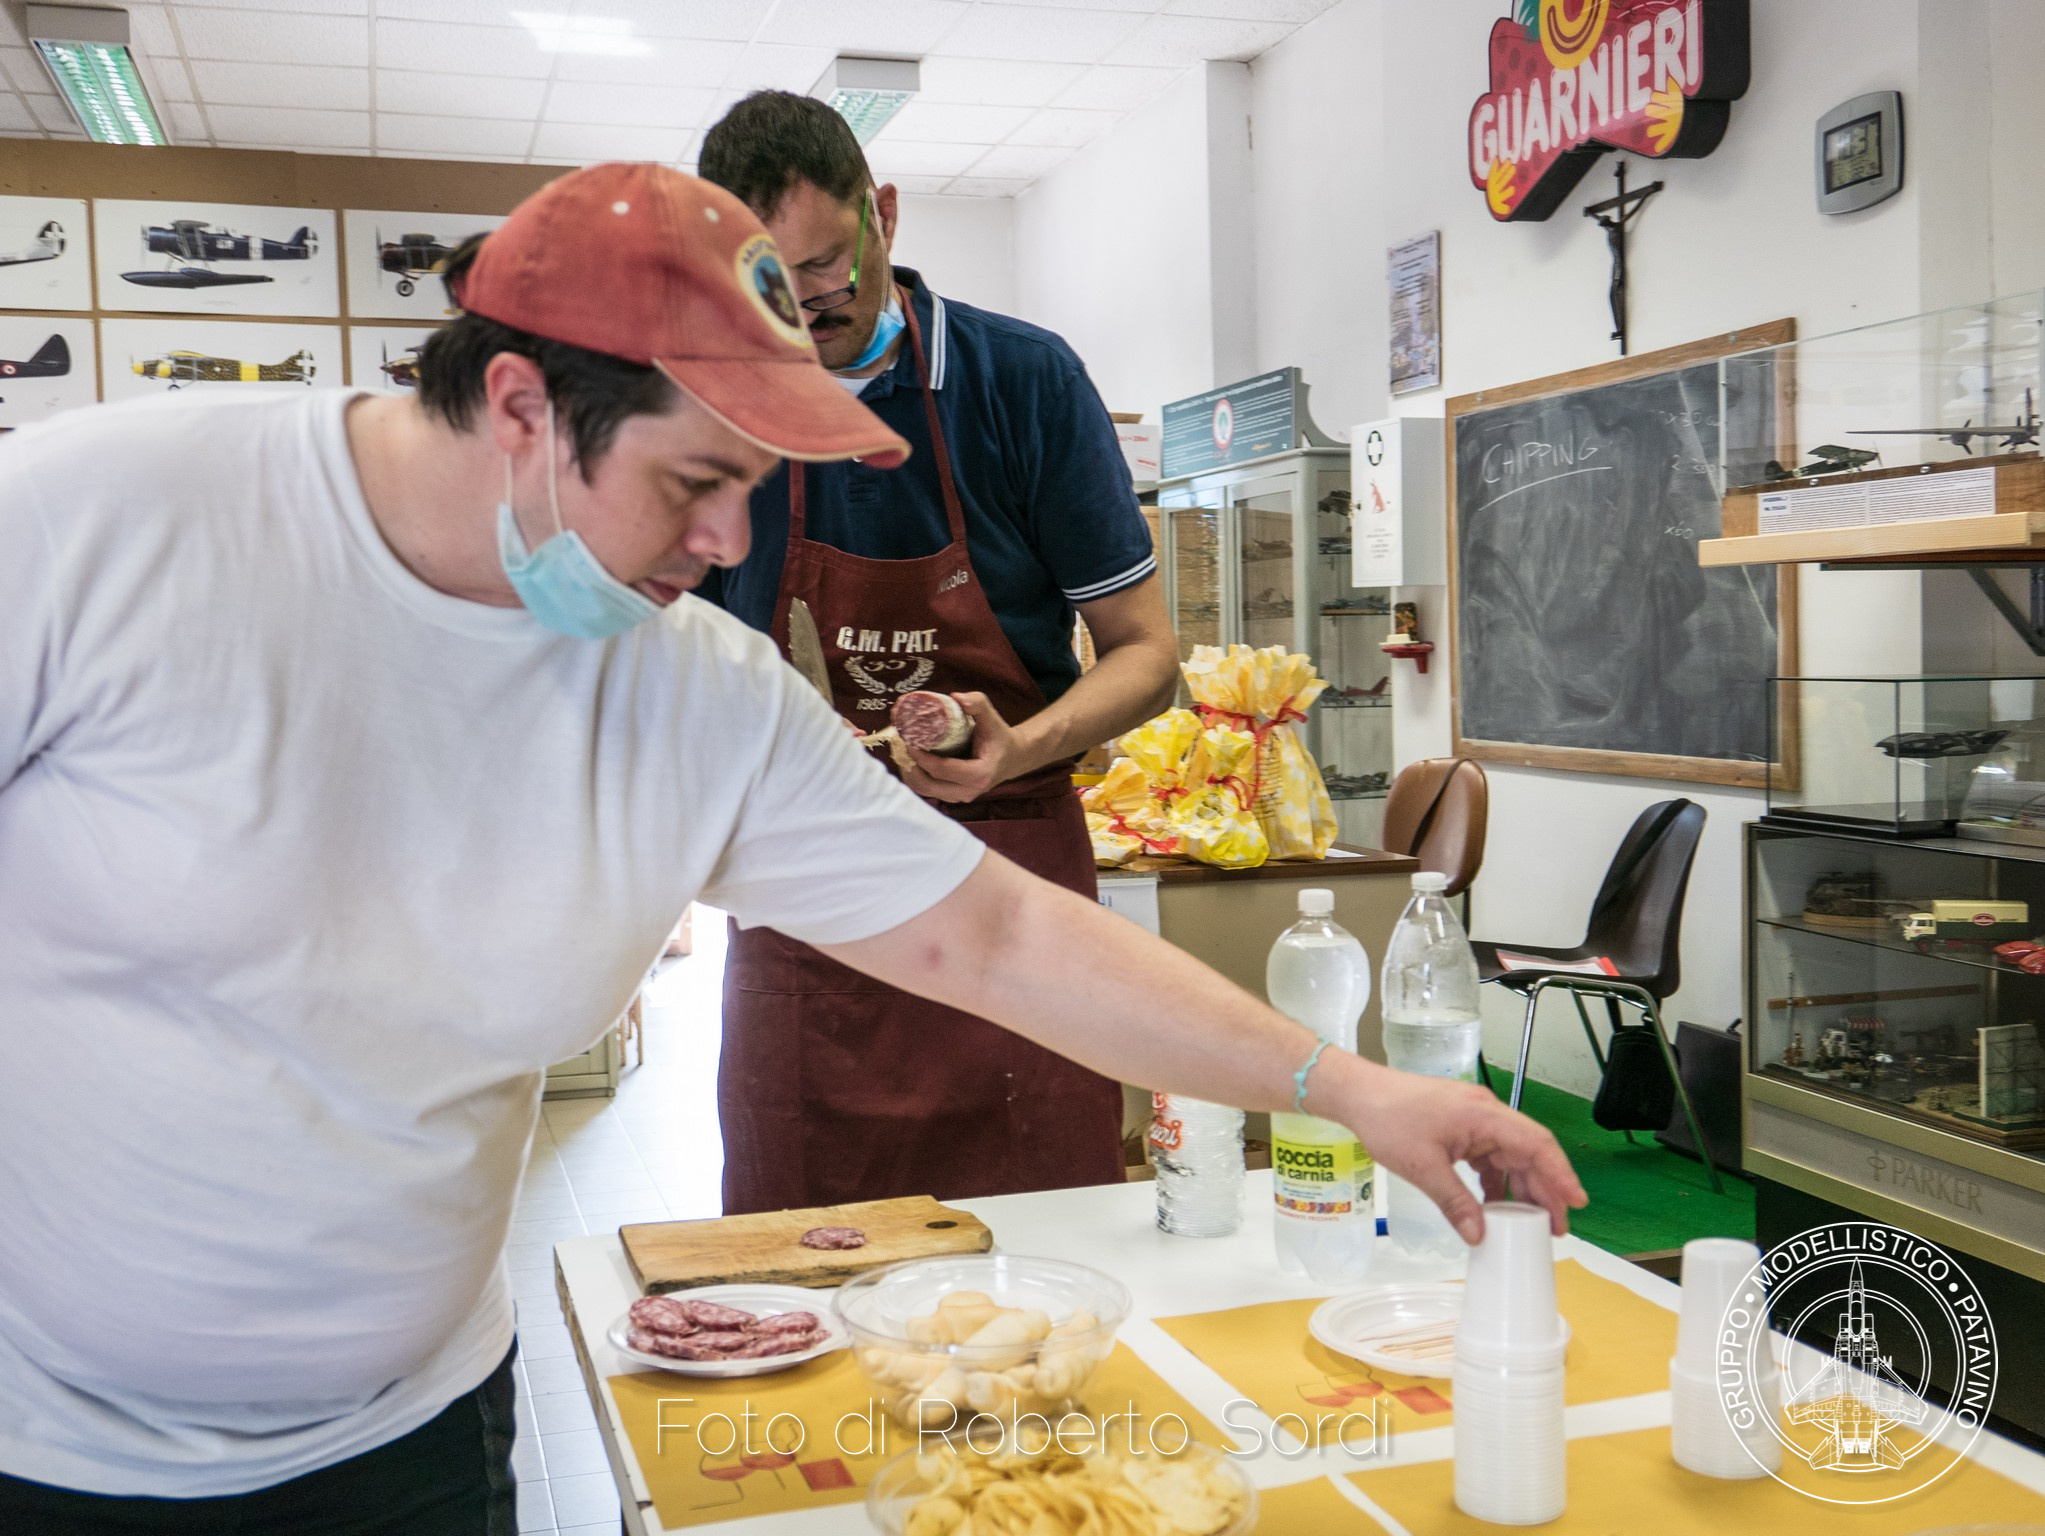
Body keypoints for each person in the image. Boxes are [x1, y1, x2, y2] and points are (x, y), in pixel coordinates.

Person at [0, 162, 1582, 1532]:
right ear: (521, 408)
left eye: (758, 489)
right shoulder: (97, 528)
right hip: (45, 1451)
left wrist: (1349, 1086)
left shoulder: (687, 687)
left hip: (411, 1437)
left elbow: (996, 935)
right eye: (695, 482)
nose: (728, 545)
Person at [698, 92, 1183, 1214]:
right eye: (769, 284)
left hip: (1014, 874)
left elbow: (1146, 655)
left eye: (825, 265)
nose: (808, 306)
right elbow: (648, 661)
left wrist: (1022, 746)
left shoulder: (1023, 381)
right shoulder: (716, 405)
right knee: (804, 1254)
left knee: (1052, 1243)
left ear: (885, 215)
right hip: (808, 884)